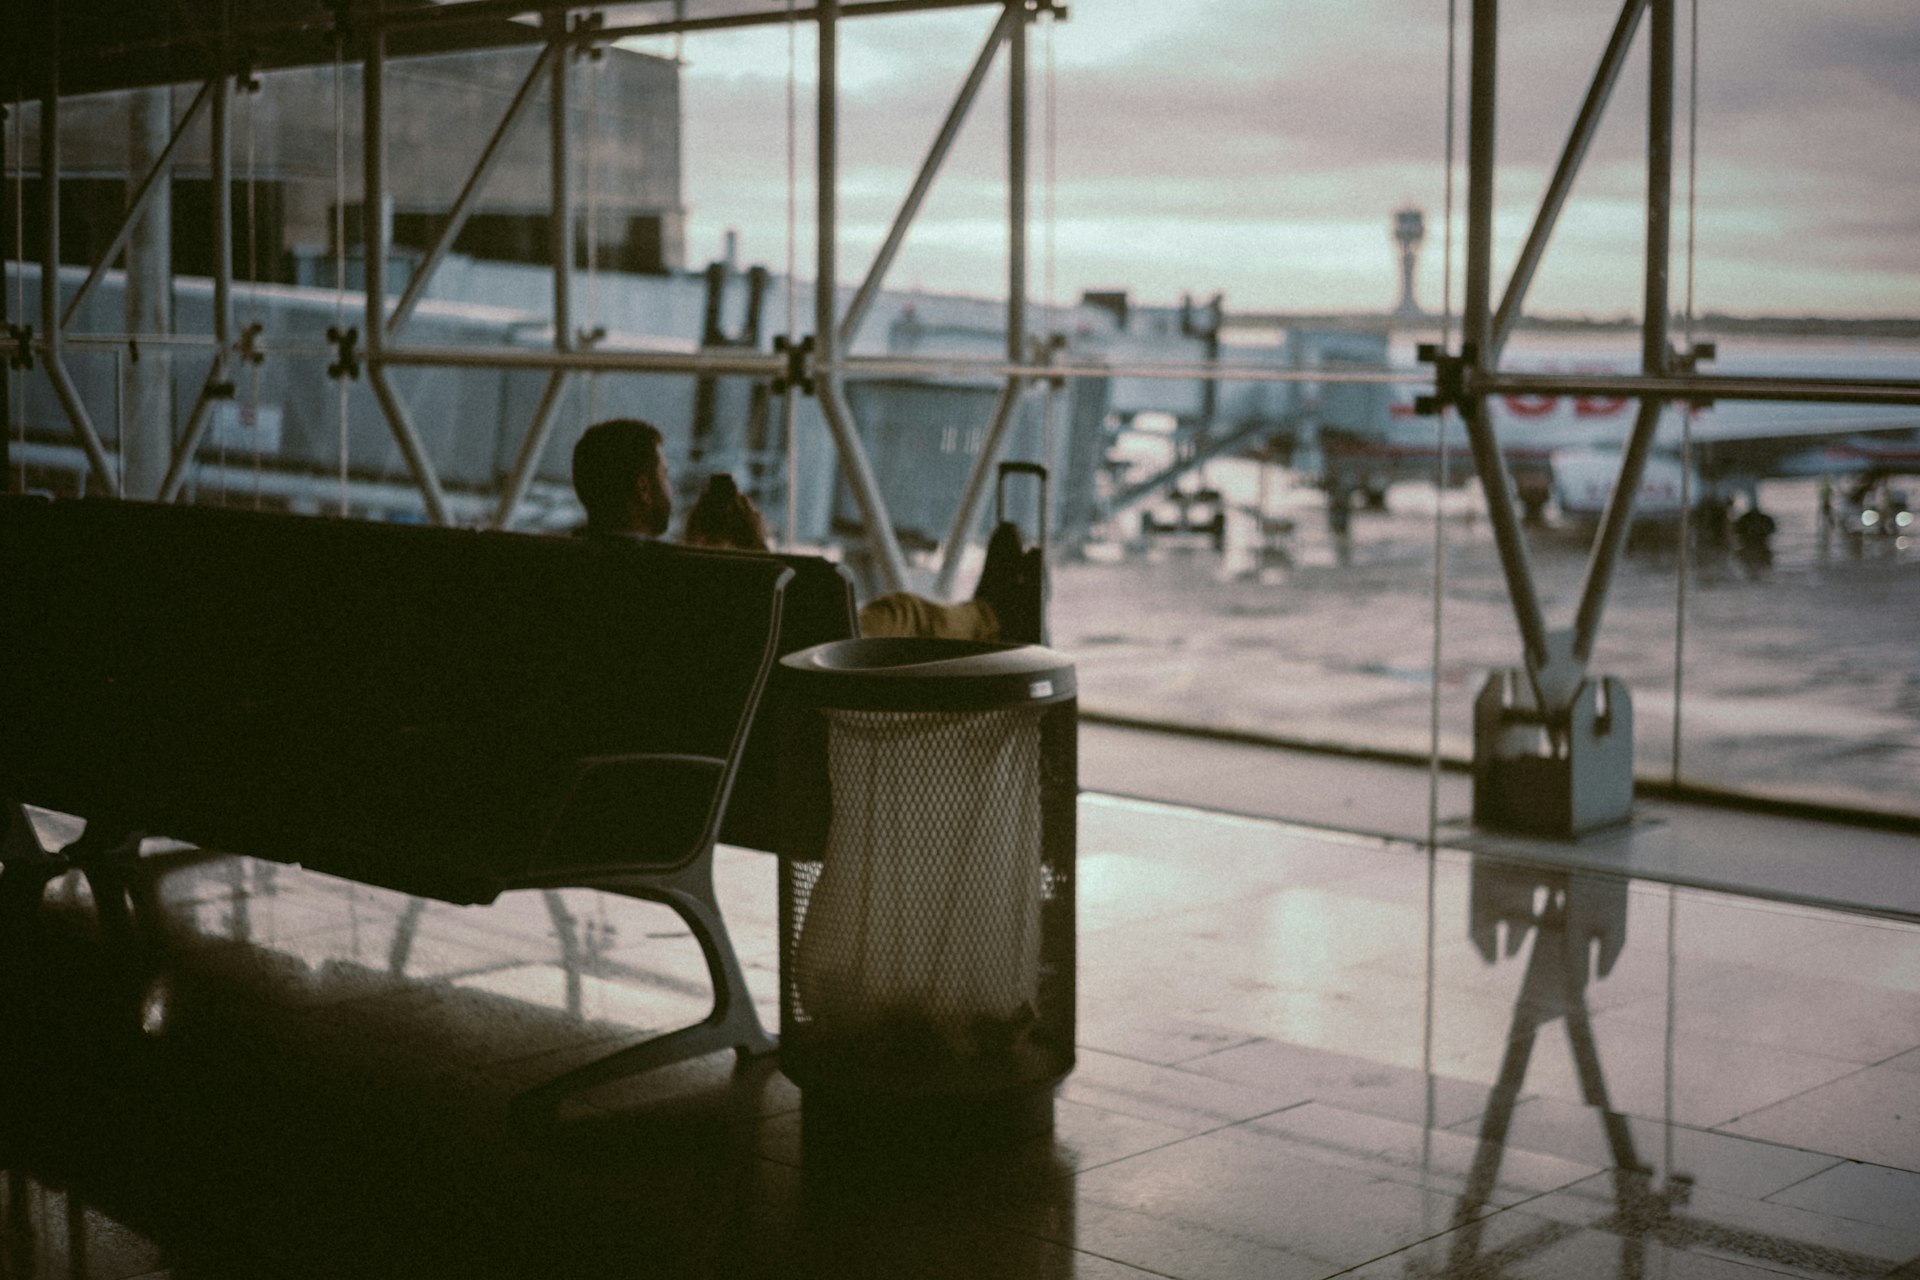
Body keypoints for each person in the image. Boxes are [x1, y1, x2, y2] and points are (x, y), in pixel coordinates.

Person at [569, 418, 1040, 643]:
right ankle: (995, 617)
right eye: (666, 475)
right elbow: (770, 618)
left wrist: (698, 552)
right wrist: (756, 546)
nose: (672, 486)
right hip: (789, 667)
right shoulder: (663, 572)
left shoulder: (576, 564)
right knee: (904, 611)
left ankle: (990, 613)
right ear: (644, 488)